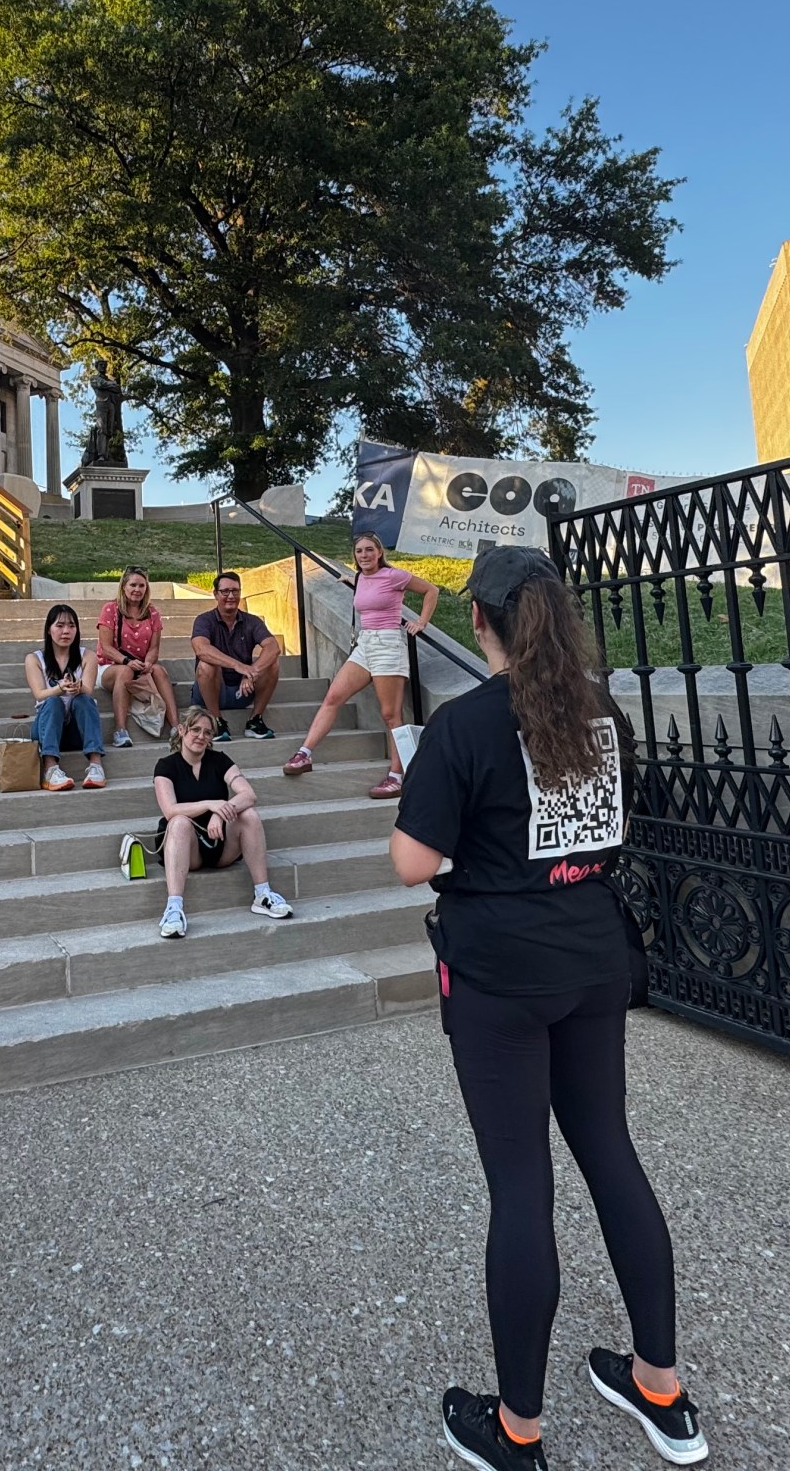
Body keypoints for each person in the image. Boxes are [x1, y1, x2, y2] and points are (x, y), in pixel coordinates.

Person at [387, 545, 705, 1470]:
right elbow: (606, 827)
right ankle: (659, 1384)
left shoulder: (466, 724)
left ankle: (517, 1430)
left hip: (501, 975)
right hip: (593, 954)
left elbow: (412, 861)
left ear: (479, 622)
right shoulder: (600, 711)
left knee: (521, 1186)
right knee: (609, 1151)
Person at [283, 530, 438, 800]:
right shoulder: (359, 578)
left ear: (379, 552)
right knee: (333, 696)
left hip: (389, 645)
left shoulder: (394, 576)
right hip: (365, 645)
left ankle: (396, 777)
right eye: (359, 551)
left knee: (391, 715)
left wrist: (421, 622)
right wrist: (348, 579)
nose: (364, 555)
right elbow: (366, 593)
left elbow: (431, 590)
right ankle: (304, 754)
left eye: (369, 550)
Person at [149, 708, 292, 938]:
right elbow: (170, 810)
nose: (201, 736)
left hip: (220, 844)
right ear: (183, 730)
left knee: (249, 815)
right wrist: (210, 804)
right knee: (178, 822)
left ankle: (262, 895)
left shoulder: (219, 760)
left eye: (207, 732)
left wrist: (220, 812)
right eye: (195, 729)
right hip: (188, 848)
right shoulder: (166, 766)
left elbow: (248, 795)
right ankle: (174, 908)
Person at [188, 571, 279, 741]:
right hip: (210, 691)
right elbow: (201, 649)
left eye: (235, 591)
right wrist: (238, 665)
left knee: (272, 663)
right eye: (225, 591)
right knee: (206, 663)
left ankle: (254, 721)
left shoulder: (252, 621)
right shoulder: (204, 620)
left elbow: (273, 647)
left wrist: (252, 671)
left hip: (244, 689)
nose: (231, 596)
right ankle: (216, 722)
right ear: (215, 594)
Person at [25, 604, 108, 791]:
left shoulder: (88, 656)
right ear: (49, 629)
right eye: (59, 625)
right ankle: (50, 768)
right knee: (53, 701)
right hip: (46, 731)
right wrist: (59, 689)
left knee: (84, 700)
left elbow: (88, 690)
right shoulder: (34, 659)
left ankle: (96, 765)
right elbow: (39, 694)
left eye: (71, 626)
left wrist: (78, 688)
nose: (66, 631)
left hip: (76, 732)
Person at [96, 566, 178, 749]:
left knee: (159, 670)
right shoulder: (110, 609)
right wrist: (127, 662)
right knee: (124, 672)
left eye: (142, 586)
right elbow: (106, 647)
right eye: (133, 585)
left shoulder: (153, 613)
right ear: (124, 586)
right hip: (110, 665)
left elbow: (154, 648)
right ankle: (120, 730)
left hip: (139, 665)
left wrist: (148, 662)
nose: (137, 590)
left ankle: (176, 727)